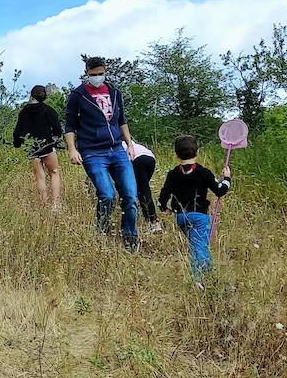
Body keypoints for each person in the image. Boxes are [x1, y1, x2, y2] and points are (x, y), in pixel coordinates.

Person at [63, 56, 140, 251]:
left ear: (105, 72)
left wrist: (129, 144)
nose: (97, 77)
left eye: (101, 74)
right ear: (87, 73)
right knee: (106, 194)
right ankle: (102, 232)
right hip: (93, 151)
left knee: (130, 196)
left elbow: (122, 120)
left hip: (117, 149)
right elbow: (70, 125)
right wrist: (72, 149)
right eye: (93, 74)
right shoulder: (78, 95)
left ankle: (130, 238)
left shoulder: (114, 92)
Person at [157, 135, 232, 287]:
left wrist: (164, 207)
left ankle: (208, 274)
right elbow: (220, 190)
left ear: (176, 154)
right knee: (199, 246)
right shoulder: (203, 172)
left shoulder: (173, 174)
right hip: (199, 216)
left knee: (196, 244)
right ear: (197, 152)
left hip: (181, 217)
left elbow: (164, 194)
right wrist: (227, 179)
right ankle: (199, 278)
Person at [13, 85, 63, 208]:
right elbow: (57, 128)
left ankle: (44, 205)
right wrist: (55, 136)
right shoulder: (48, 110)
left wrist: (17, 143)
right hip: (48, 146)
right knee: (54, 173)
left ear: (31, 95)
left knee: (40, 177)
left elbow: (17, 132)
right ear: (44, 95)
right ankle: (56, 205)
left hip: (32, 149)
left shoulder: (24, 112)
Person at [125, 140, 165, 233]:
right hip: (150, 158)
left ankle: (153, 222)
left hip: (138, 159)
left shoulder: (117, 145)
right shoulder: (130, 142)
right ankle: (148, 219)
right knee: (143, 188)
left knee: (142, 191)